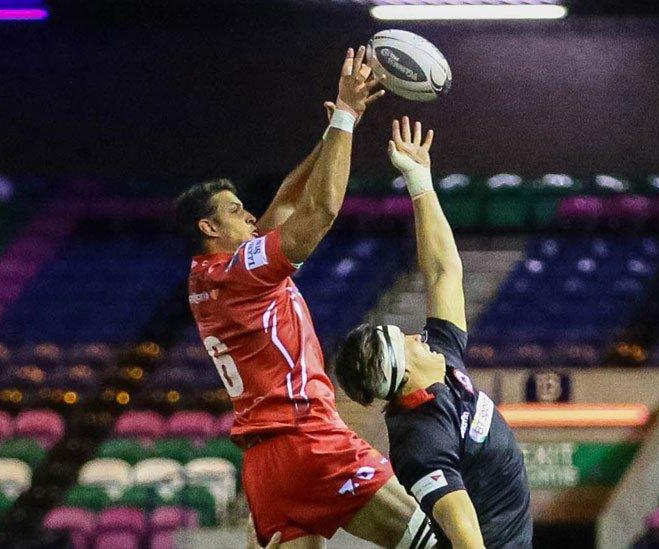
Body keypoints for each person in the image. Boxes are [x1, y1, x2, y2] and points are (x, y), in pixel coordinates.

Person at [175, 48, 437, 549]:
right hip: (307, 436)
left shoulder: (208, 276)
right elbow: (317, 212)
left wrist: (335, 134)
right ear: (209, 228)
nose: (249, 216)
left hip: (265, 463)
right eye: (235, 211)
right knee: (438, 540)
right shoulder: (241, 271)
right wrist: (344, 113)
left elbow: (286, 202)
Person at [333, 117, 534, 548]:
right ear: (400, 371)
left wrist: (419, 179)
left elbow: (444, 271)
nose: (416, 335)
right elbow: (466, 538)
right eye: (403, 339)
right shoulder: (421, 443)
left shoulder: (442, 359)